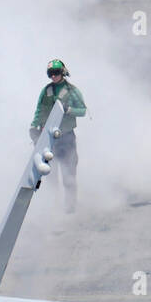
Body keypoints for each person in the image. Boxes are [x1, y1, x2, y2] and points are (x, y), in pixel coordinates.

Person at [29, 59, 87, 213]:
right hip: (49, 139)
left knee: (69, 173)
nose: (53, 76)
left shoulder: (72, 91)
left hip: (67, 138)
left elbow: (82, 111)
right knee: (51, 173)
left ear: (62, 73)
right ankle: (54, 207)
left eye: (56, 73)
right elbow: (39, 111)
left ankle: (70, 206)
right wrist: (34, 127)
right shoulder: (46, 91)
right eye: (50, 74)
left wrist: (69, 110)